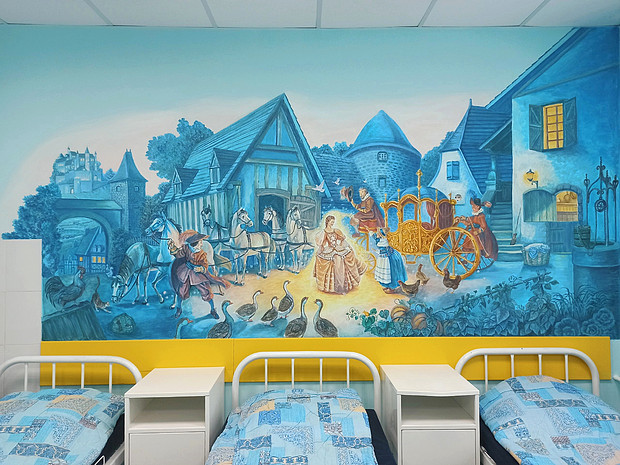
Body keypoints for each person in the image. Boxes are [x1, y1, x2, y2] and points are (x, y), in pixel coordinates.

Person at [169, 230, 231, 318]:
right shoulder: (186, 248)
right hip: (185, 272)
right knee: (181, 291)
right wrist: (173, 249)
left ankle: (213, 310)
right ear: (195, 243)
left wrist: (201, 268)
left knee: (206, 290)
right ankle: (179, 309)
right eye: (200, 242)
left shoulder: (202, 254)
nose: (201, 245)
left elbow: (205, 265)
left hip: (197, 274)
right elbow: (179, 255)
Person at [313, 215, 367, 294]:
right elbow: (321, 244)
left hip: (337, 248)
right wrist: (322, 249)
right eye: (331, 222)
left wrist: (346, 246)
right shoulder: (324, 232)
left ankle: (348, 280)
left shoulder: (335, 230)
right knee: (338, 260)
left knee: (348, 255)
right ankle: (340, 287)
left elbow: (342, 239)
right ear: (327, 222)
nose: (332, 223)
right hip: (330, 250)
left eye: (333, 222)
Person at [373, 229, 407, 293]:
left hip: (387, 259)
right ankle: (387, 286)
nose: (376, 234)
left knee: (390, 273)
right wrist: (369, 231)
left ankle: (392, 288)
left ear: (381, 235)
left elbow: (383, 251)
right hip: (383, 257)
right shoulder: (380, 239)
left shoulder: (384, 242)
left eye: (378, 234)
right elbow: (375, 237)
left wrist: (377, 251)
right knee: (384, 273)